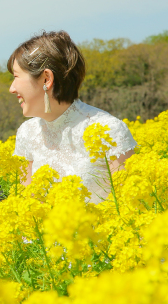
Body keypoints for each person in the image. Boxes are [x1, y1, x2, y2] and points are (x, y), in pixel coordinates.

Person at [8, 31, 136, 203]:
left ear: (46, 79)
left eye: (16, 77)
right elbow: (26, 208)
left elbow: (129, 208)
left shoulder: (109, 131)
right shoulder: (27, 133)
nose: (12, 88)